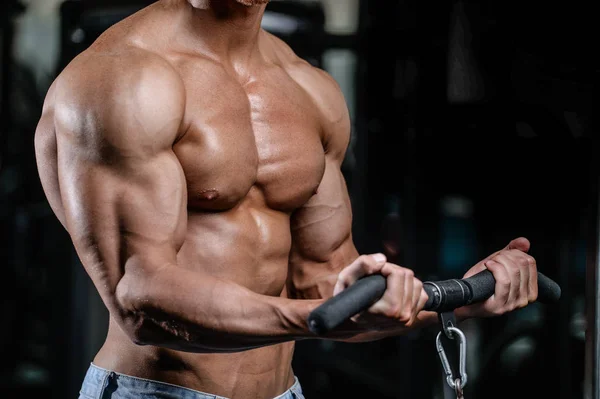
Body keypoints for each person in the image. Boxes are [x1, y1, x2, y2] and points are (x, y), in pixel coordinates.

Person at [33, 1, 539, 398]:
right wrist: (316, 319)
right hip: (156, 393)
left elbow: (325, 283)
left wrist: (461, 300)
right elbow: (140, 302)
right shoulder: (121, 79)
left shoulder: (309, 90)